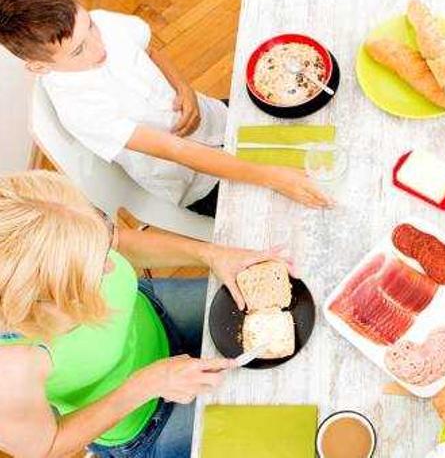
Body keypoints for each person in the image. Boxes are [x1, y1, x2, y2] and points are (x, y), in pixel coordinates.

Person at [0, 170, 293, 457]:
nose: (111, 266)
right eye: (94, 272)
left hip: (156, 315)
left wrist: (211, 254)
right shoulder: (10, 369)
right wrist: (148, 384)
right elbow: (47, 447)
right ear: (47, 304)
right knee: (282, 428)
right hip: (147, 423)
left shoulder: (46, 224)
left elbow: (120, 243)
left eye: (102, 249)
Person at [0, 0, 331, 217]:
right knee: (293, 209)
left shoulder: (100, 23)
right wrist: (273, 176)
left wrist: (182, 86)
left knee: (323, 149)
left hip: (214, 118)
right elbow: (178, 151)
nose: (100, 48)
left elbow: (149, 46)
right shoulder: (80, 108)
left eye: (90, 27)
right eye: (78, 51)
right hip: (195, 179)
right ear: (39, 68)